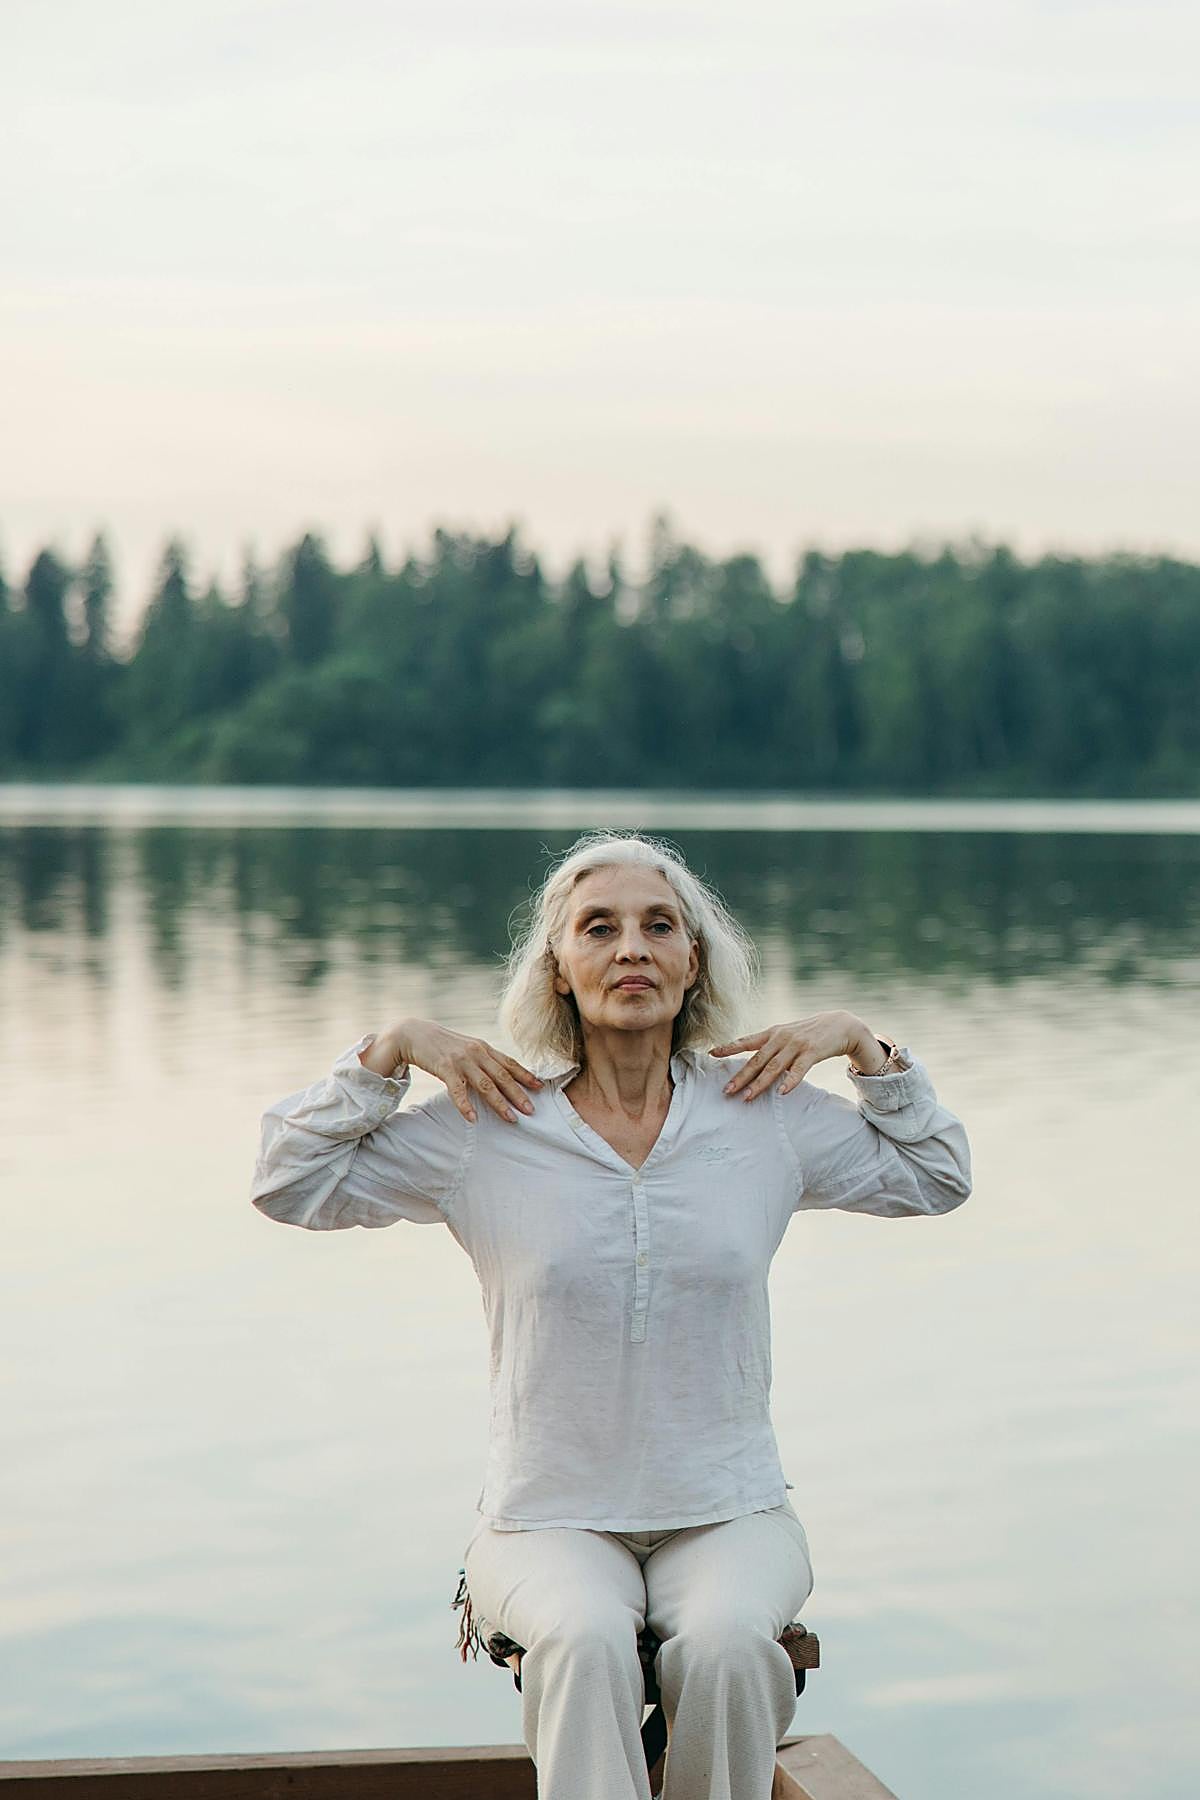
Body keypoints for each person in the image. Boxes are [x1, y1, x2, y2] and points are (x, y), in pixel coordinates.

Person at [250, 830, 972, 1800]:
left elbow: (937, 1177)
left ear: (692, 960)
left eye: (657, 926)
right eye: (600, 928)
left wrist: (861, 1044)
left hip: (730, 1508)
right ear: (559, 968)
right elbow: (288, 1183)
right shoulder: (488, 1121)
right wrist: (392, 1050)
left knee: (724, 1646)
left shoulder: (765, 1114)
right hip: (545, 1516)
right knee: (585, 1641)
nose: (631, 947)